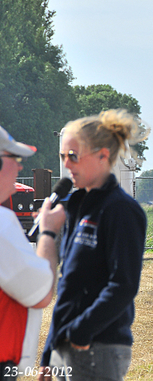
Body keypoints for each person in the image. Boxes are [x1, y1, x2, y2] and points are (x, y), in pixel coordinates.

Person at [38, 109, 149, 381]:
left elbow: (123, 285)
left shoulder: (121, 210)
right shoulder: (76, 207)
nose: (67, 164)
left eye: (74, 156)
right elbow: (69, 285)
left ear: (102, 155)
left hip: (97, 348)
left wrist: (80, 333)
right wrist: (49, 352)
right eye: (64, 156)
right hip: (67, 346)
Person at [0, 126, 64, 380]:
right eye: (14, 159)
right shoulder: (2, 224)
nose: (20, 168)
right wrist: (48, 233)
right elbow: (41, 293)